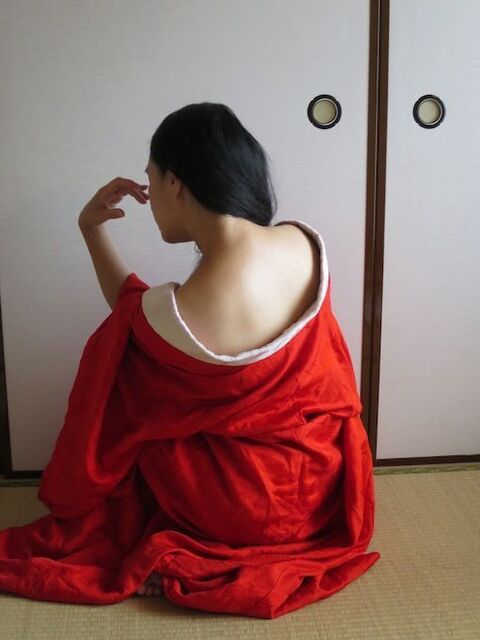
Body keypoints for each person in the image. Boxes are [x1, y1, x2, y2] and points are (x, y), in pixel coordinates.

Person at [0, 102, 380, 619]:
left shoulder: (174, 311)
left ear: (175, 183)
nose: (150, 196)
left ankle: (191, 544)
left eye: (150, 179)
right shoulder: (307, 244)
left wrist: (91, 228)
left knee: (139, 429)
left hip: (241, 510)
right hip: (319, 490)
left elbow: (127, 316)